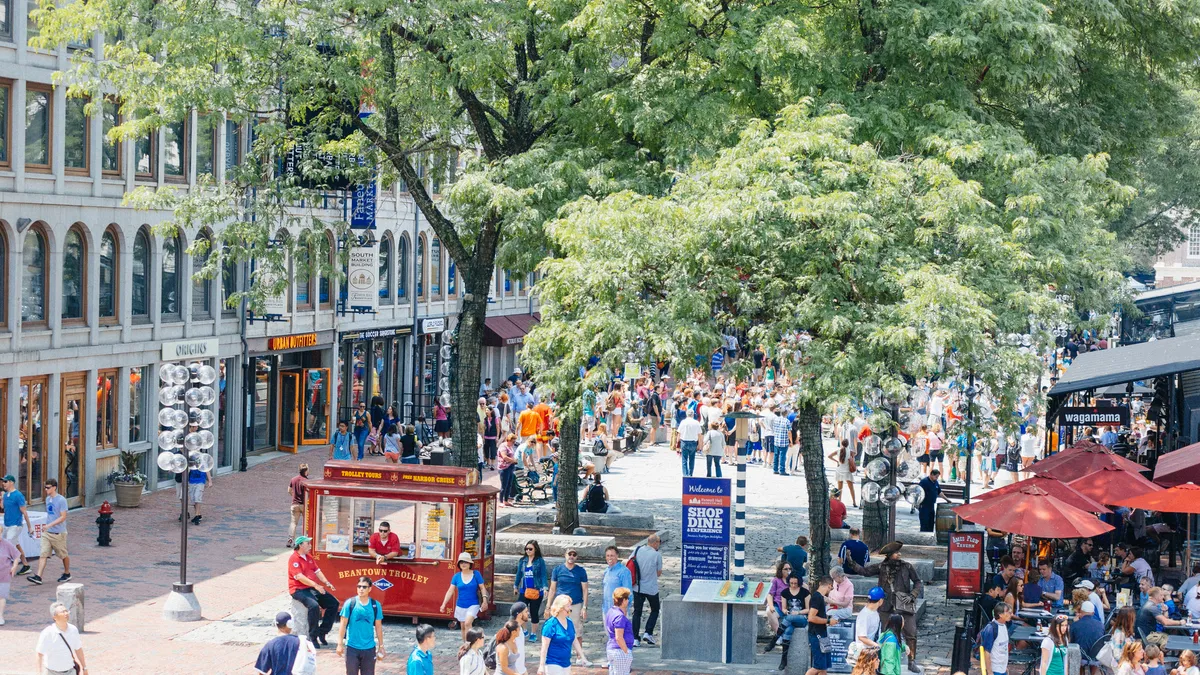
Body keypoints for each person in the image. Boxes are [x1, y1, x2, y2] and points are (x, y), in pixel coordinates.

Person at [845, 541, 923, 674]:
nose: (899, 554)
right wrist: (851, 562)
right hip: (886, 605)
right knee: (884, 635)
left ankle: (911, 661)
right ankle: (882, 661)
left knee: (911, 633)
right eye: (896, 553)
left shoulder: (907, 566)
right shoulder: (881, 567)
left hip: (904, 604)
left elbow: (917, 582)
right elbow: (865, 571)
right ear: (889, 555)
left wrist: (913, 595)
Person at [545, 548, 592, 667]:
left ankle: (579, 657)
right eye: (569, 554)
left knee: (577, 630)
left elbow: (585, 589)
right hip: (560, 605)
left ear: (576, 557)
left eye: (574, 554)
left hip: (575, 604)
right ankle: (555, 654)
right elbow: (552, 589)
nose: (571, 556)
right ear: (565, 555)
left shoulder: (581, 571)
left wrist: (584, 607)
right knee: (556, 629)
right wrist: (548, 606)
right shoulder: (557, 570)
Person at [288, 535, 339, 647]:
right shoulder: (294, 558)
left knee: (334, 603)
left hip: (311, 587)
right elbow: (300, 577)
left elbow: (317, 571)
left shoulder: (309, 557)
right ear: (300, 545)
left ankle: (323, 631)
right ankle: (313, 635)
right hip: (298, 589)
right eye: (308, 544)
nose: (310, 546)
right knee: (314, 606)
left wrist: (326, 582)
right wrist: (316, 586)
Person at [337, 575, 385, 675]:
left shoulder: (375, 605)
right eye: (359, 586)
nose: (361, 589)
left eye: (364, 587)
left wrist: (381, 646)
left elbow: (378, 626)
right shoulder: (350, 603)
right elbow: (343, 625)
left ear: (370, 589)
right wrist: (339, 644)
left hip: (369, 648)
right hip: (352, 648)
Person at [28, 478, 70, 585]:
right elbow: (50, 515)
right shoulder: (47, 499)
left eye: (48, 487)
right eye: (45, 487)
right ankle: (38, 576)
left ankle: (67, 572)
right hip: (47, 533)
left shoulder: (61, 500)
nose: (46, 489)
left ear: (54, 487)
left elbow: (63, 517)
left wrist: (49, 525)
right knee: (43, 554)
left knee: (63, 555)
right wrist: (46, 526)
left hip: (58, 533)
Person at [441, 552, 490, 640]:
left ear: (470, 563)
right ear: (459, 564)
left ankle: (470, 645)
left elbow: (482, 588)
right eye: (461, 562)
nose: (463, 564)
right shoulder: (456, 576)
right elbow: (450, 591)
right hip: (460, 605)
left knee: (468, 623)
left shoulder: (476, 574)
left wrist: (485, 600)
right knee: (463, 626)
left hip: (473, 604)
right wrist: (444, 604)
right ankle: (465, 645)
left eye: (466, 562)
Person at [36, 601, 88, 675]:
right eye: (62, 612)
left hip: (70, 671)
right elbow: (39, 654)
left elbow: (78, 649)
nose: (66, 613)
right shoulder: (48, 632)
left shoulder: (73, 630)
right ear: (55, 617)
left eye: (66, 611)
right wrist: (39, 672)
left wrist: (84, 667)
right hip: (51, 672)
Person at [802, 575, 839, 675]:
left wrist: (828, 620)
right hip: (817, 635)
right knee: (817, 667)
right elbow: (811, 617)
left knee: (823, 667)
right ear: (829, 586)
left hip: (822, 634)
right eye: (832, 588)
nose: (831, 590)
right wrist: (828, 621)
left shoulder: (819, 598)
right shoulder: (817, 598)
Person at [631, 533, 663, 646]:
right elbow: (659, 573)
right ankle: (648, 632)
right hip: (651, 588)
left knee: (637, 612)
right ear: (655, 543)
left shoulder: (637, 550)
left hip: (638, 587)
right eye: (659, 542)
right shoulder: (656, 555)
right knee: (655, 609)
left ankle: (635, 638)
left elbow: (629, 563)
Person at [768, 573, 810, 657]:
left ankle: (775, 639)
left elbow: (808, 609)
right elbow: (783, 608)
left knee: (789, 618)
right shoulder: (785, 592)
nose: (793, 585)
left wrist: (798, 612)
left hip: (802, 618)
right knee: (787, 632)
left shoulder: (805, 592)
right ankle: (784, 658)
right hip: (790, 619)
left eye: (795, 583)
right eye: (791, 583)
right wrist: (786, 611)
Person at [2, 474, 32, 576]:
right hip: (7, 525)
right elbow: (4, 507)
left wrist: (29, 526)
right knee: (16, 545)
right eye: (3, 481)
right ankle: (26, 565)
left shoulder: (18, 495)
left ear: (11, 482)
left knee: (7, 546)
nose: (3, 483)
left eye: (5, 481)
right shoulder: (5, 495)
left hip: (15, 525)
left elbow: (24, 512)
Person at [540, 594, 578, 675]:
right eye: (568, 606)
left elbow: (574, 639)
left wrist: (582, 656)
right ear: (560, 608)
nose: (570, 609)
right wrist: (541, 666)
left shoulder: (569, 622)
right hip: (553, 663)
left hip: (566, 663)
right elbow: (544, 647)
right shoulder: (550, 625)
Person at [516, 540, 549, 626]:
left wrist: (545, 588)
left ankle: (533, 634)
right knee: (520, 611)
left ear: (535, 549)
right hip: (524, 590)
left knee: (534, 613)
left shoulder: (540, 561)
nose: (528, 551)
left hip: (536, 590)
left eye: (530, 549)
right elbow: (519, 574)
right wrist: (515, 586)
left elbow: (543, 575)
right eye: (526, 549)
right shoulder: (522, 561)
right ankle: (524, 630)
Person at [1071, 600, 1105, 675]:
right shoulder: (1101, 625)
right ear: (1093, 613)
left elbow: (1071, 642)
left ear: (1081, 611)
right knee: (1096, 650)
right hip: (1096, 657)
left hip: (1080, 656)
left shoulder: (1075, 625)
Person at [978, 601, 1013, 675]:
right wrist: (990, 672)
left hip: (1002, 669)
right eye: (1008, 612)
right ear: (1000, 614)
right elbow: (987, 652)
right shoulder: (991, 629)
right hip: (995, 670)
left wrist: (1004, 667)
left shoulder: (1004, 625)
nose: (1011, 614)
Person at [606, 587, 635, 675]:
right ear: (624, 600)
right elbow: (619, 637)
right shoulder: (619, 617)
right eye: (627, 598)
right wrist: (626, 652)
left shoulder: (611, 611)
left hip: (612, 648)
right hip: (620, 651)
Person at [601, 546, 632, 616]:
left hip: (619, 611)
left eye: (612, 556)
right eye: (608, 556)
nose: (609, 558)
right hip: (607, 610)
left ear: (617, 556)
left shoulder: (624, 571)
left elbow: (628, 592)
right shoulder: (607, 571)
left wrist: (624, 609)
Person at [828, 439, 858, 506]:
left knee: (839, 488)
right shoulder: (850, 452)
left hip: (839, 471)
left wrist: (837, 461)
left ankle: (839, 501)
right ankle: (854, 502)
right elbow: (856, 453)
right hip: (847, 472)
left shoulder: (838, 451)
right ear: (848, 444)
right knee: (851, 488)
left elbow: (829, 456)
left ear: (841, 444)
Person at [0, 533, 19, 624]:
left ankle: (0, 616)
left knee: (2, 596)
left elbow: (16, 555)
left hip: (4, 573)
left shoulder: (7, 544)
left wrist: (14, 567)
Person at [677, 410, 703, 476]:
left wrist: (677, 444)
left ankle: (685, 474)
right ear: (693, 415)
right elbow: (699, 435)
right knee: (692, 459)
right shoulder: (696, 423)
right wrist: (700, 445)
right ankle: (690, 473)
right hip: (693, 442)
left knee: (684, 459)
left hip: (684, 442)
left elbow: (679, 433)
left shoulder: (683, 422)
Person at [498, 434, 519, 506]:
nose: (513, 443)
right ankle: (501, 501)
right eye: (513, 442)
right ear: (509, 440)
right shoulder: (503, 446)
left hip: (510, 467)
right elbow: (504, 457)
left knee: (509, 484)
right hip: (504, 468)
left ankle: (506, 500)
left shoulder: (510, 446)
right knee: (504, 485)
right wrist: (513, 460)